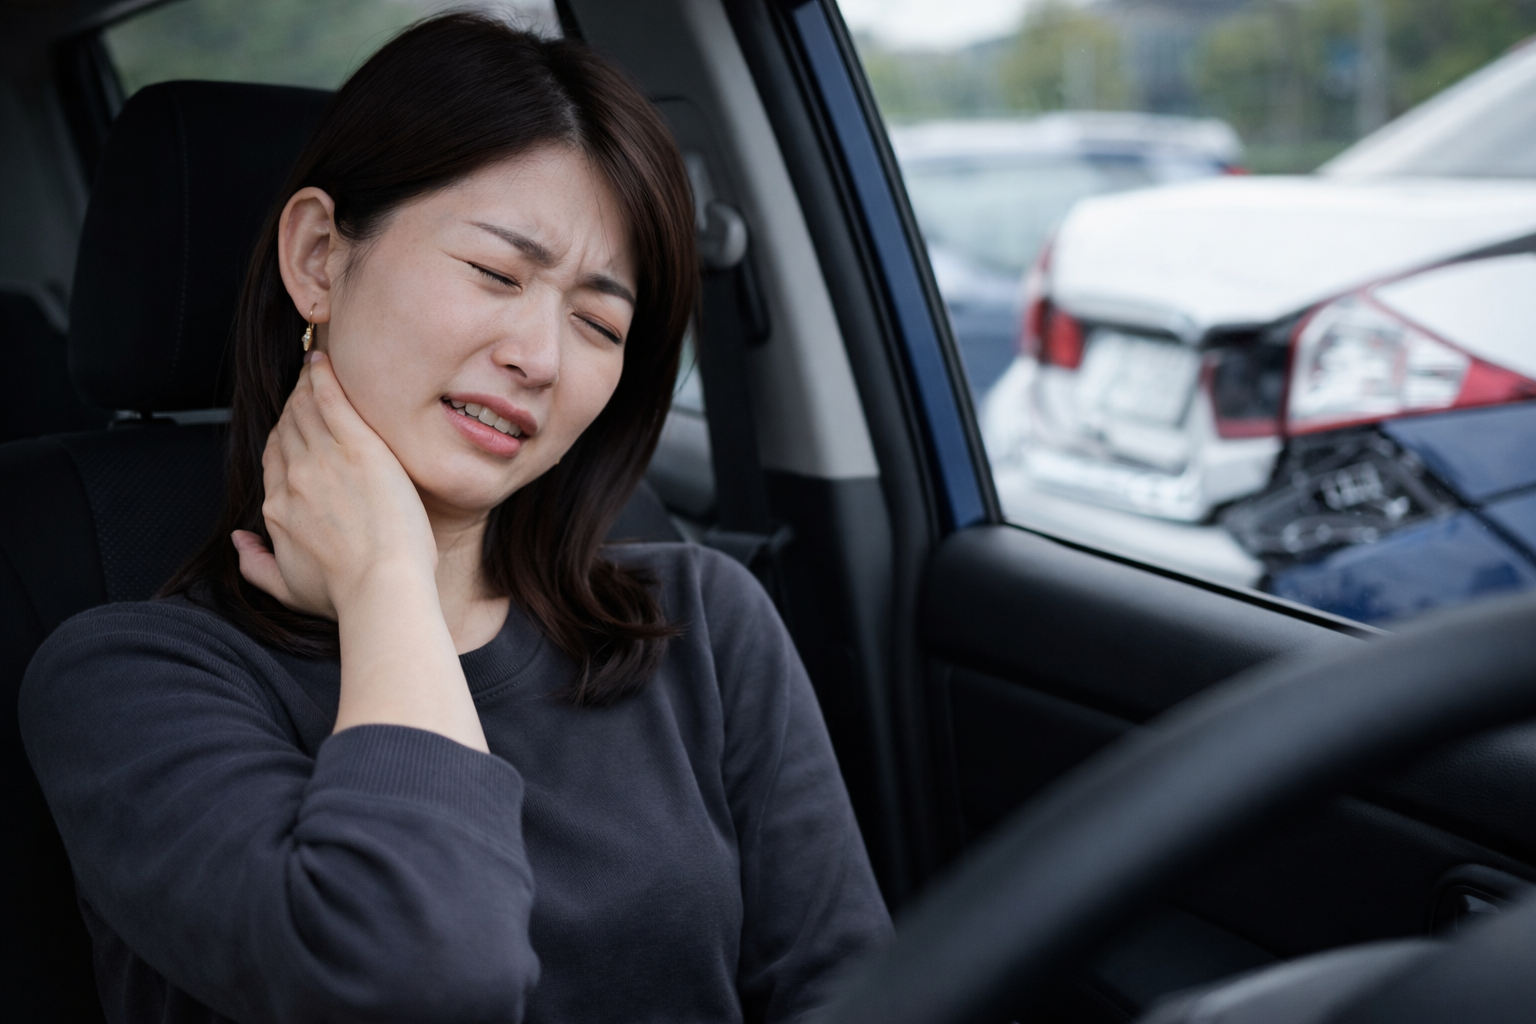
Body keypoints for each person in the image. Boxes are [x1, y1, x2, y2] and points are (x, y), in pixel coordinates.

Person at [20, 14, 890, 1024]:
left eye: (599, 322)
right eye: (495, 273)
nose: (542, 357)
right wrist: (389, 577)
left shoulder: (703, 623)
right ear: (317, 259)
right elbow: (426, 975)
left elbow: (855, 992)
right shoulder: (124, 682)